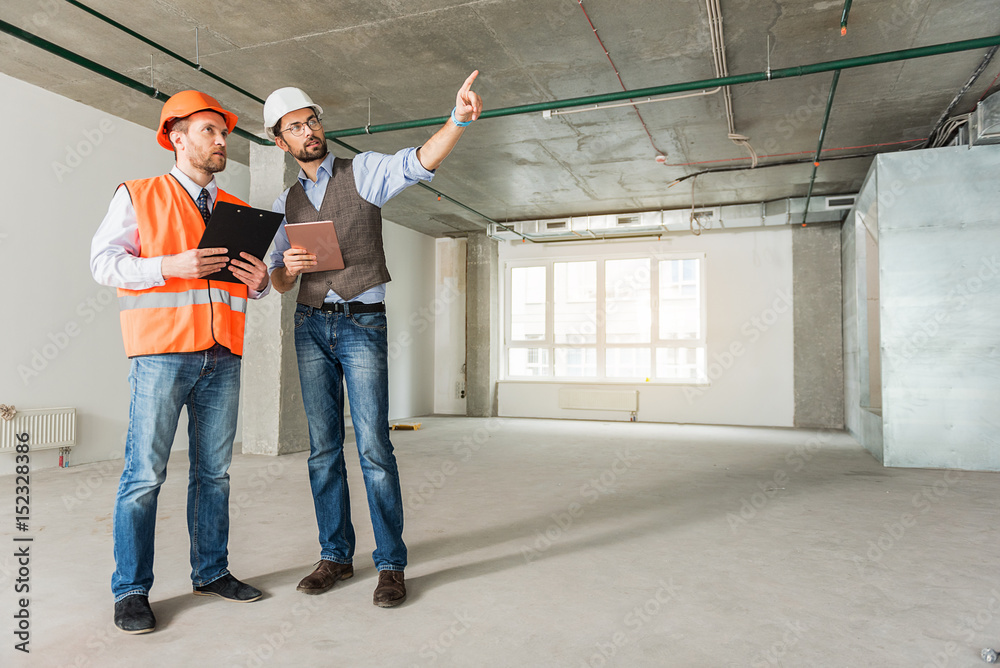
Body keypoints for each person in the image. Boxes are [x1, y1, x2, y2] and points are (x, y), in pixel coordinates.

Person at [263, 71, 483, 607]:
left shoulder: (362, 171)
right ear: (280, 140)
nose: (309, 130)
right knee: (322, 451)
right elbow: (275, 279)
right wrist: (288, 269)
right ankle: (335, 557)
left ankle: (390, 565)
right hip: (310, 325)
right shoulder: (284, 202)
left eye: (312, 120)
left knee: (374, 448)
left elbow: (419, 160)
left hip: (363, 322)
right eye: (295, 127)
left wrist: (456, 120)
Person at [90, 90, 270, 634]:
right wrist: (174, 264)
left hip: (223, 356)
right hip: (163, 355)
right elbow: (104, 264)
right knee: (144, 476)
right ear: (177, 137)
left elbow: (244, 280)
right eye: (210, 132)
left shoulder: (236, 209)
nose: (221, 142)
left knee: (213, 474)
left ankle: (211, 571)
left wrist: (260, 285)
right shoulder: (138, 195)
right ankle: (131, 591)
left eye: (223, 133)